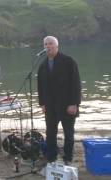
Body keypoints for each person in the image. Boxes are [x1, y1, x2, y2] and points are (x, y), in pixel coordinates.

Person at [37, 36, 81, 165]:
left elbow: (76, 84)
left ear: (57, 46)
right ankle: (51, 157)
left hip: (67, 104)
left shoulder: (68, 61)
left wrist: (74, 103)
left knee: (68, 133)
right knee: (50, 133)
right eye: (46, 44)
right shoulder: (42, 65)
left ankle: (68, 157)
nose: (48, 46)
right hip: (50, 106)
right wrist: (42, 104)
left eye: (50, 44)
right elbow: (40, 87)